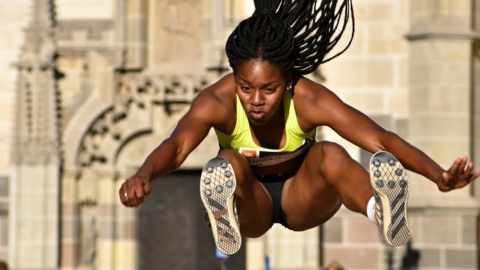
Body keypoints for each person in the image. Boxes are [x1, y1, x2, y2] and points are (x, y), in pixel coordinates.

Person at [119, 0, 479, 255]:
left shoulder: (309, 99)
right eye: (246, 87)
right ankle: (224, 210)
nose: (256, 99)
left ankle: (380, 210)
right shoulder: (217, 100)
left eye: (269, 89)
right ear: (234, 78)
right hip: (253, 205)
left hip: (301, 199)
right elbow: (178, 146)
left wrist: (438, 175)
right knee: (225, 161)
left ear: (289, 81)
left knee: (331, 153)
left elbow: (380, 138)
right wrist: (143, 174)